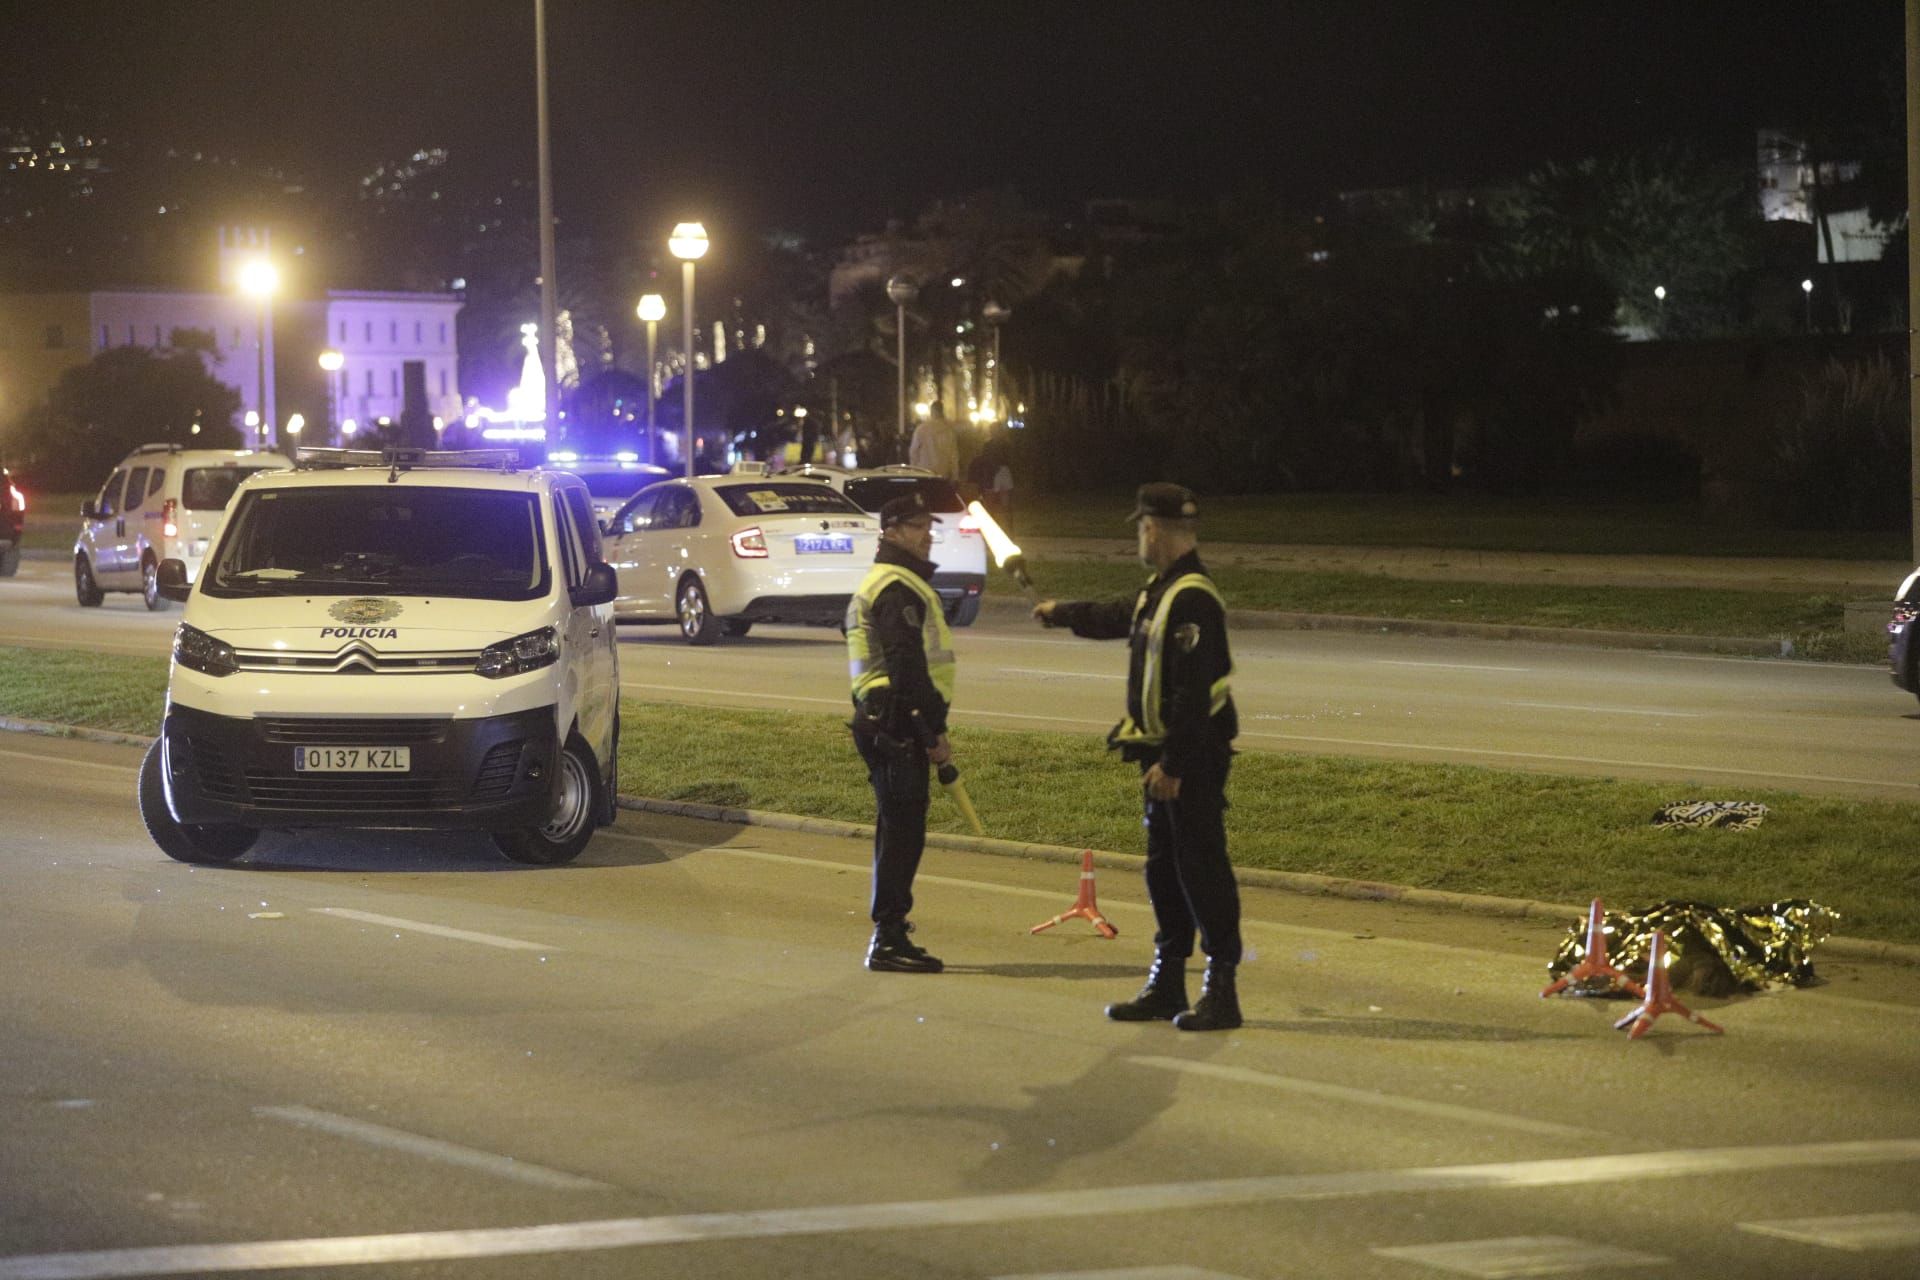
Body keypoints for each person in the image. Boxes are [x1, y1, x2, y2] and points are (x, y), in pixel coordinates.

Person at [1032, 483, 1244, 1031]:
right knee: (1165, 875)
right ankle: (1168, 981)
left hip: (1189, 760)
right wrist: (1061, 613)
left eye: (1139, 528)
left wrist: (1174, 765)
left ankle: (1221, 990)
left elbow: (1195, 694)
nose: (1138, 538)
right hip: (1159, 759)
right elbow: (1115, 615)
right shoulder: (1162, 590)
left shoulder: (1192, 597)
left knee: (1202, 871)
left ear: (1153, 528)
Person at [844, 492, 958, 972]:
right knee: (902, 835)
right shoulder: (895, 587)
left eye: (928, 525)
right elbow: (907, 665)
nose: (927, 533)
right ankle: (888, 936)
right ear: (890, 532)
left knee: (897, 831)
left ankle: (890, 931)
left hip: (886, 720)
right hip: (895, 724)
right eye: (916, 526)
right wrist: (931, 733)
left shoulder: (894, 580)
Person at [907, 407, 960, 481]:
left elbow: (913, 452)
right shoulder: (949, 431)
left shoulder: (921, 429)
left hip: (924, 472)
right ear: (942, 413)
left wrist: (914, 470)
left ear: (931, 412)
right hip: (942, 473)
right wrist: (955, 476)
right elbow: (953, 456)